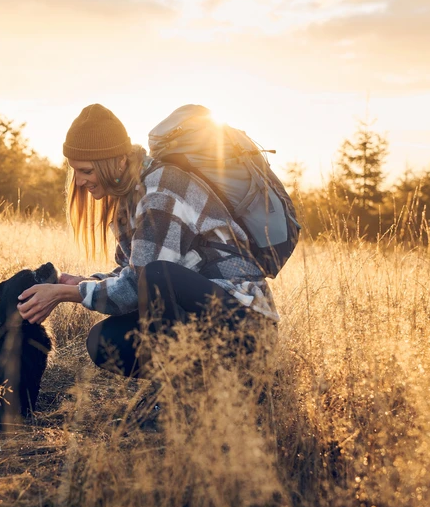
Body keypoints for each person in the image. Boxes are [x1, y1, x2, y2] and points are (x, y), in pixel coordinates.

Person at [17, 104, 279, 378]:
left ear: (116, 162)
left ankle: (173, 399)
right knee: (104, 340)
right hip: (202, 316)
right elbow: (132, 276)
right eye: (75, 172)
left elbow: (143, 282)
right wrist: (84, 282)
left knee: (156, 275)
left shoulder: (160, 191)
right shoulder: (130, 197)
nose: (80, 182)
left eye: (86, 171)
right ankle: (201, 387)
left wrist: (65, 294)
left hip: (246, 324)